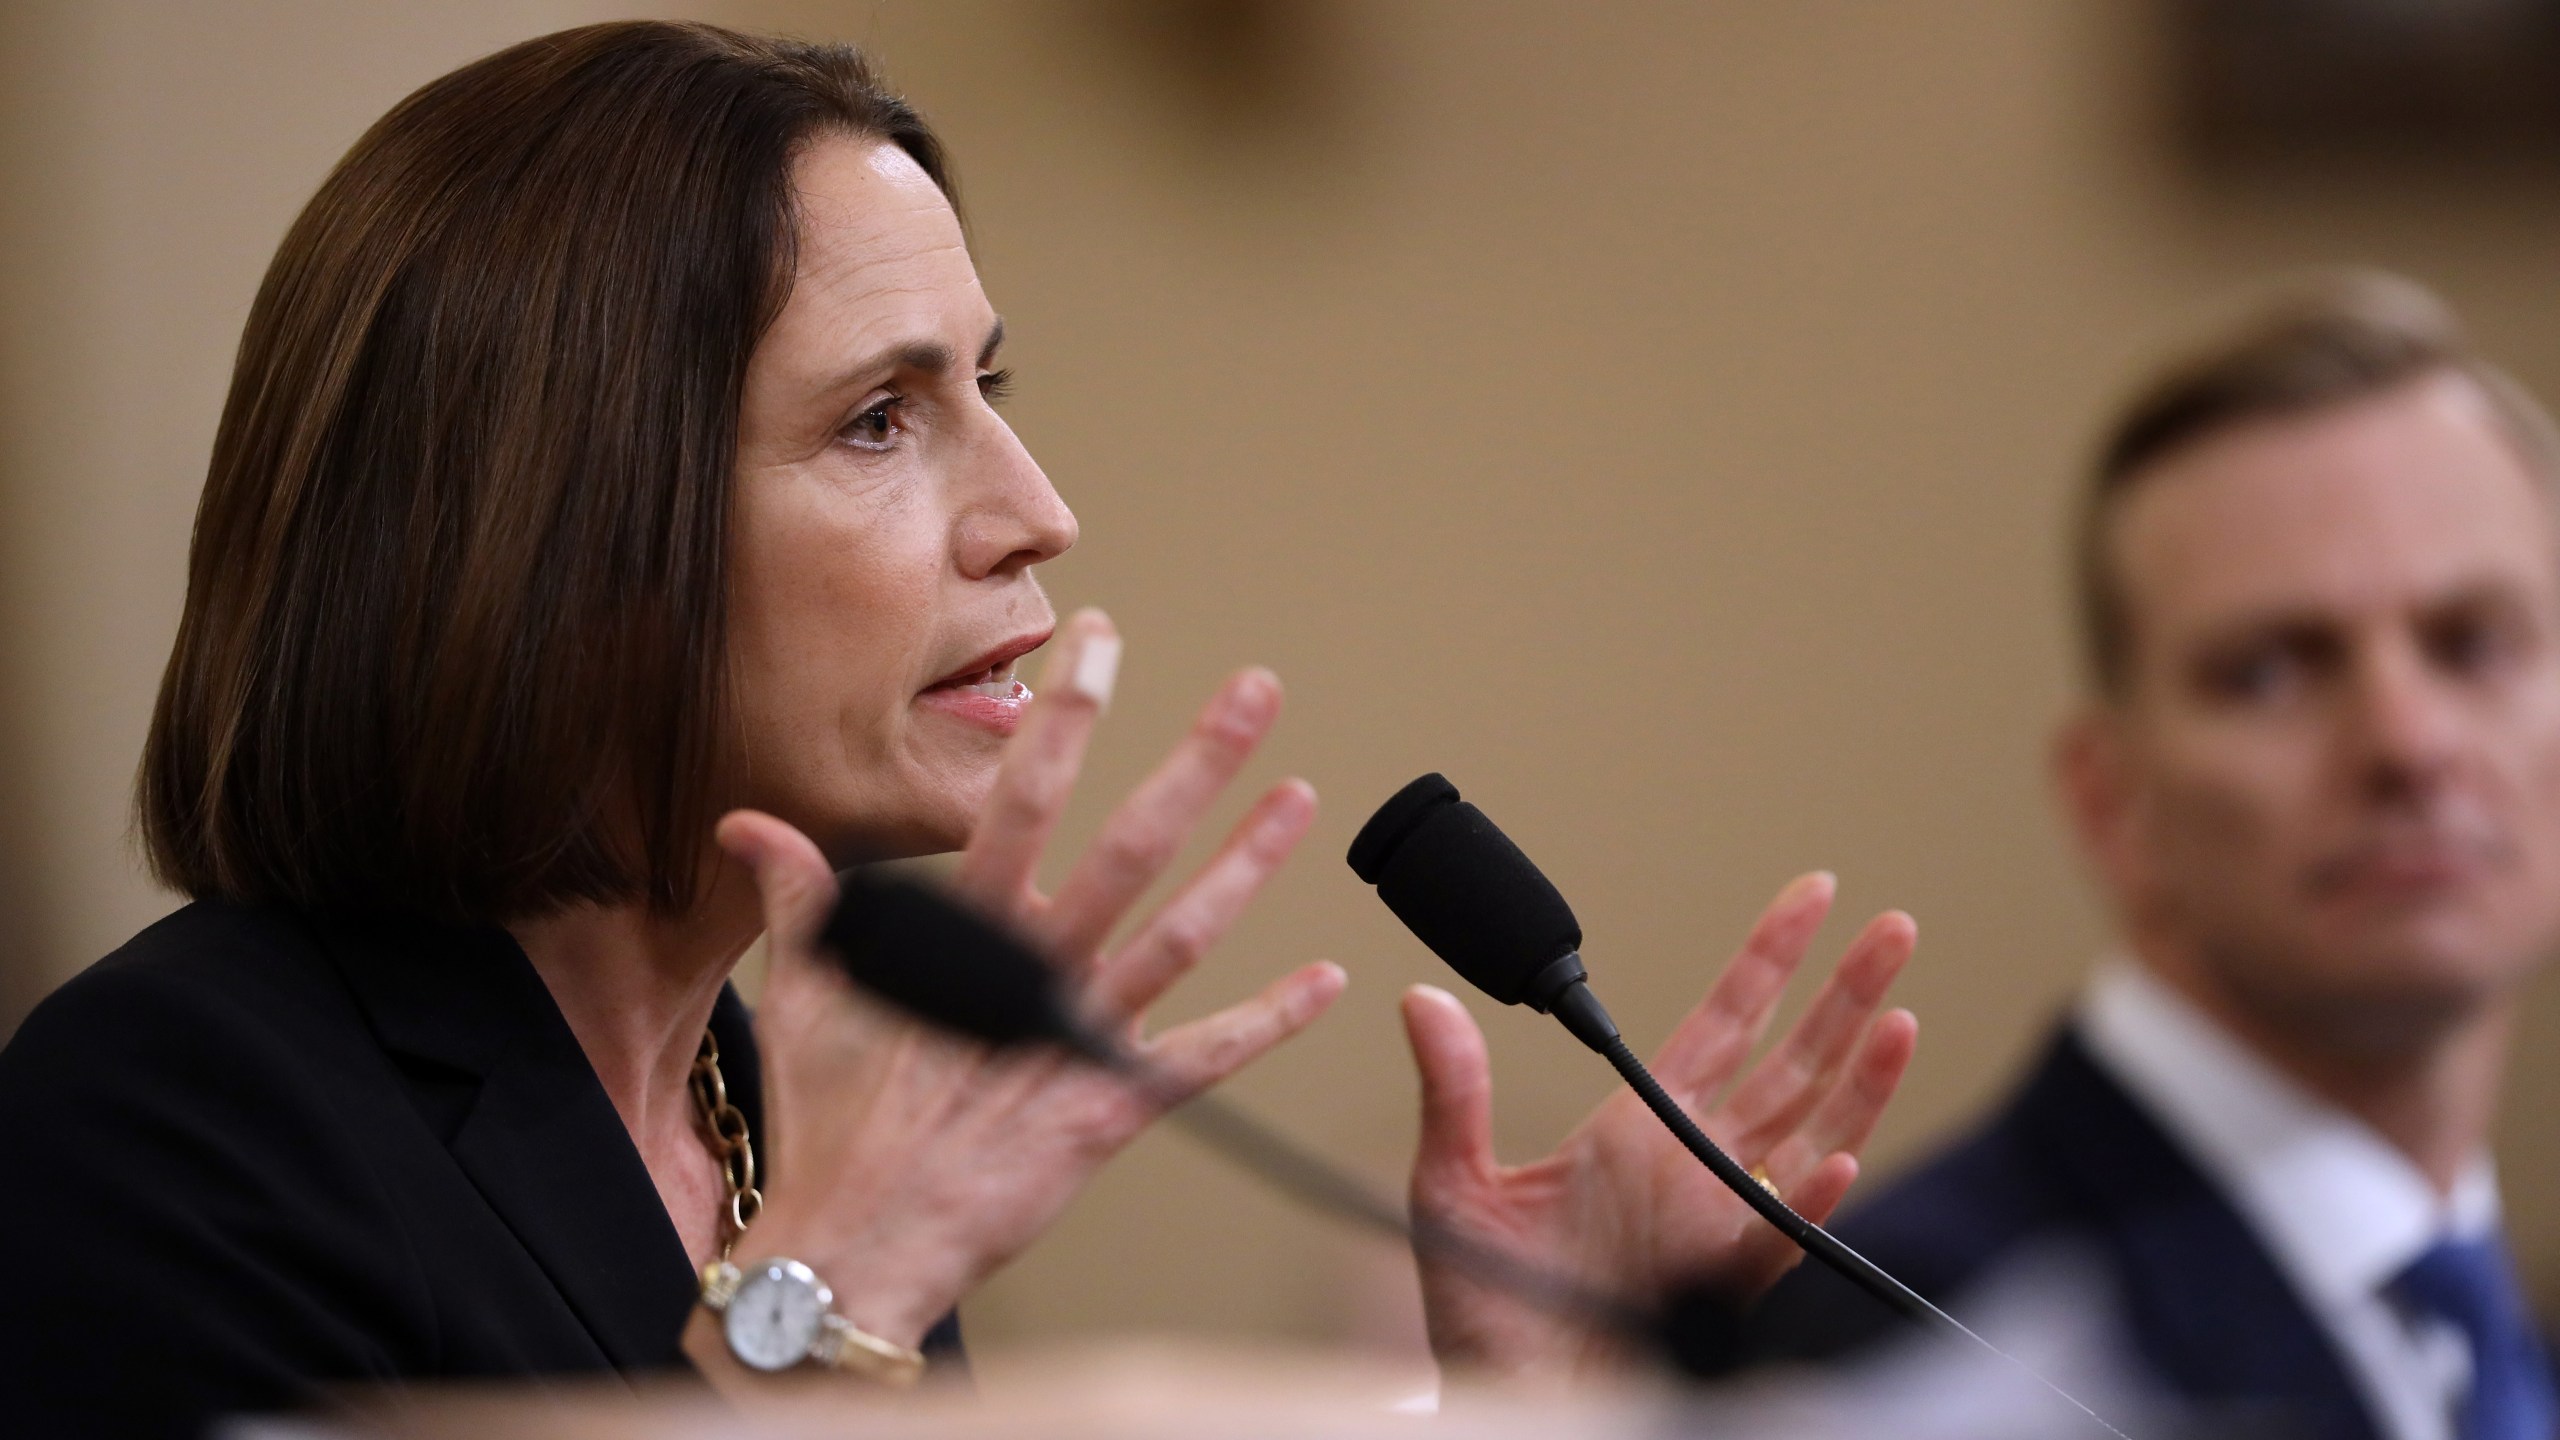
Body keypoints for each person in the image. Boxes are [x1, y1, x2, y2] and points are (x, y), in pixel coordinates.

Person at [0, 22, 1919, 1436]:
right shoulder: (160, 1127)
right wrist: (823, 1304)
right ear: (563, 535)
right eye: (881, 420)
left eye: (985, 388)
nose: (1037, 509)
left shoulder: (763, 1102)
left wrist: (1520, 1403)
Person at [1712, 274, 2560, 1440]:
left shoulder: (2469, 1313)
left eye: (2472, 642)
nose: (2408, 742)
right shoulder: (1924, 1349)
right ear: (2111, 804)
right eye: (2269, 668)